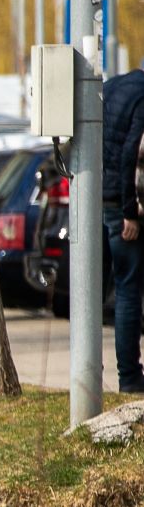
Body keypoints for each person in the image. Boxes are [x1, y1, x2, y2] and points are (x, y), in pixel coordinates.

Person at [102, 66, 144, 393]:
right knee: (130, 290)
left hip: (103, 199)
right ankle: (130, 377)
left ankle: (125, 375)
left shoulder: (112, 87)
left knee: (120, 287)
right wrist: (131, 211)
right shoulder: (142, 96)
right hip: (127, 206)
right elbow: (132, 152)